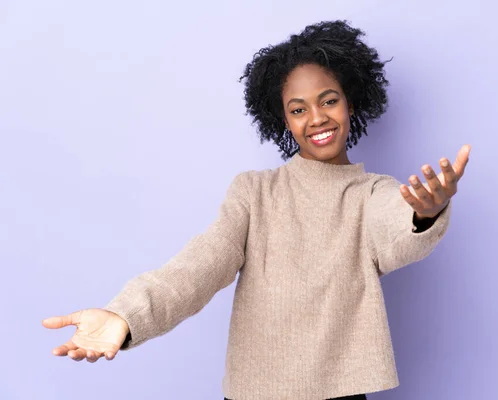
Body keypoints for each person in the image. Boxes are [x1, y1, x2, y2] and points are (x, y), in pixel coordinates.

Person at [42, 20, 470, 400]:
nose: (316, 118)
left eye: (329, 100)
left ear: (351, 103)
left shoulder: (374, 192)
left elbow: (394, 228)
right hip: (254, 394)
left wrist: (424, 213)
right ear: (284, 120)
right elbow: (198, 267)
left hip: (340, 393)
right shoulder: (254, 192)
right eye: (298, 109)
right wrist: (126, 315)